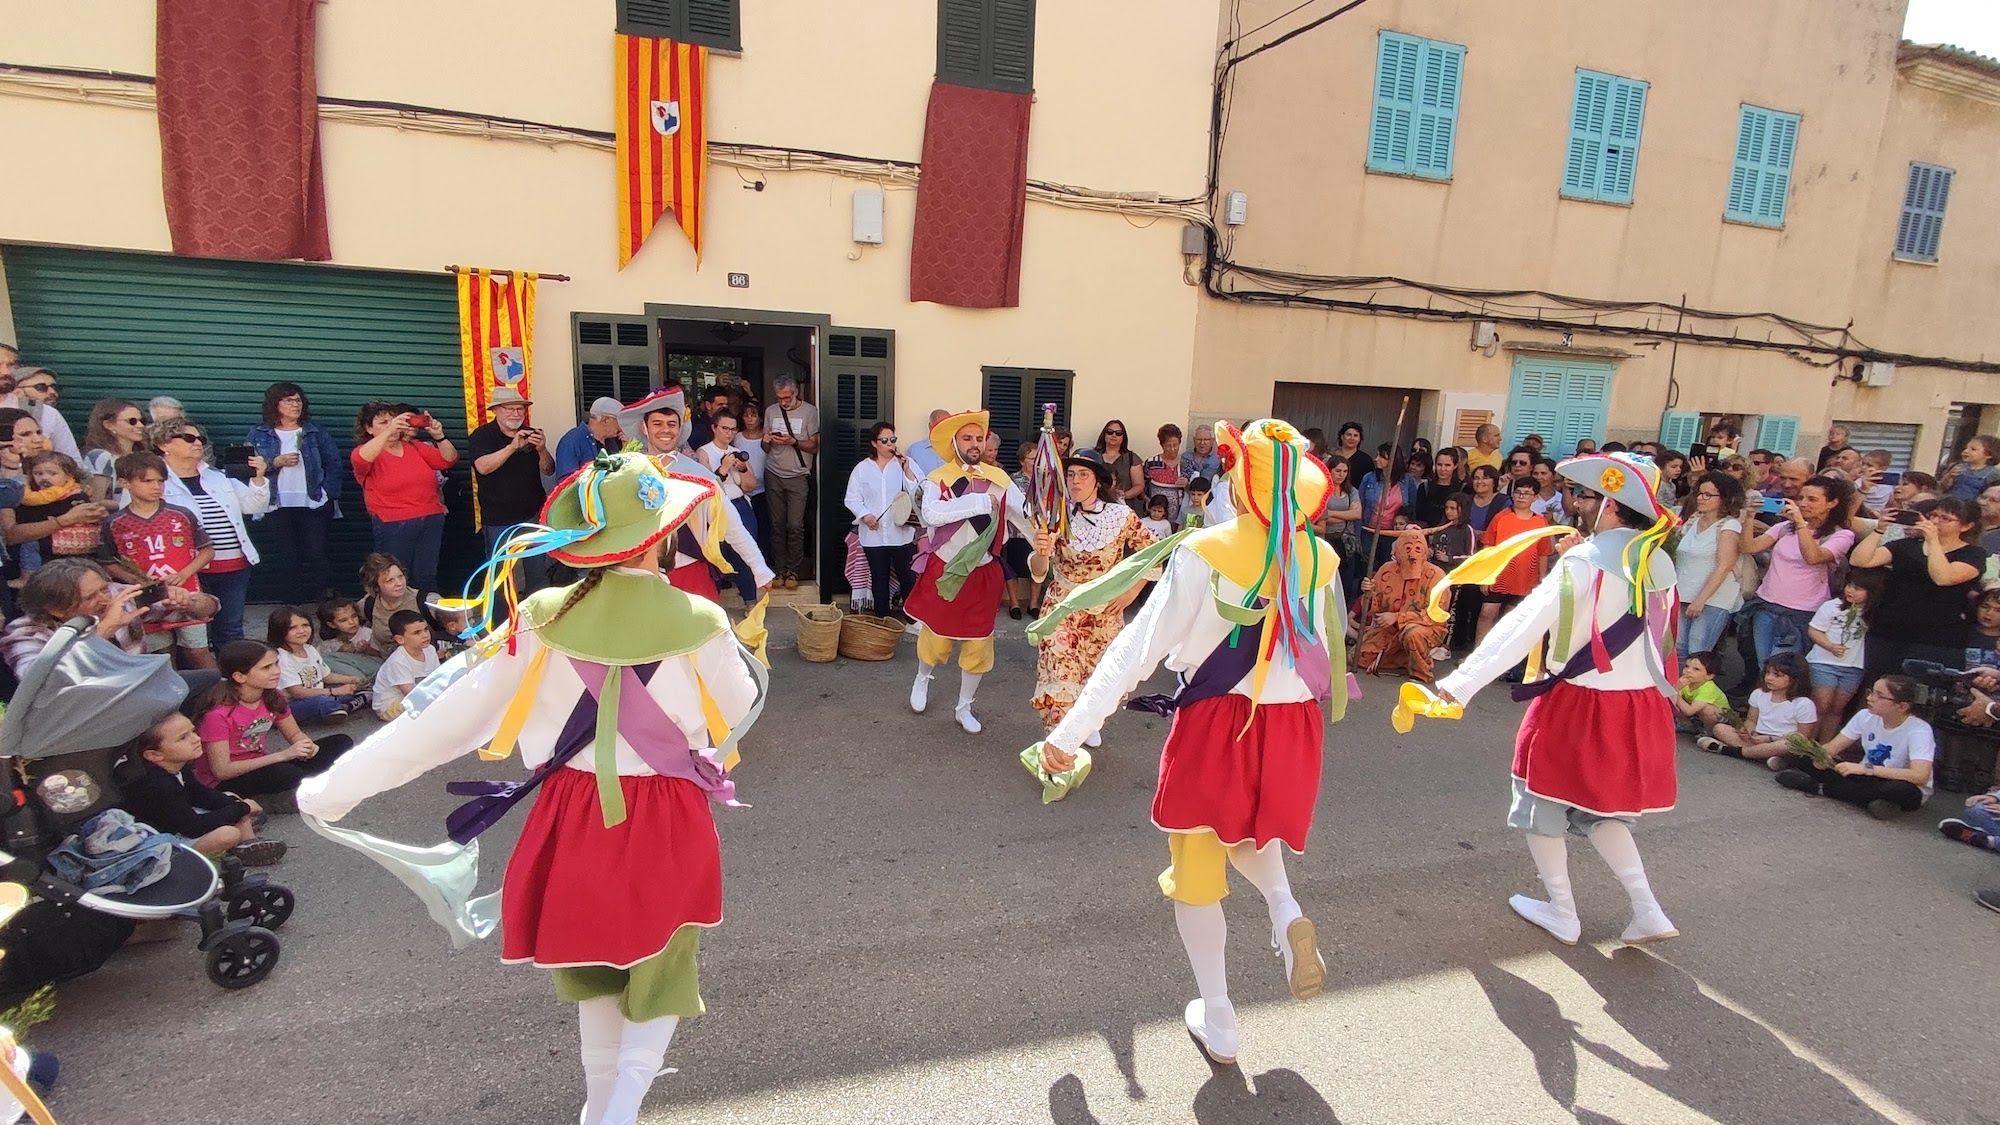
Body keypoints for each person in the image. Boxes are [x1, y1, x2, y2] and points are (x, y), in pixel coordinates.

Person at [298, 452, 767, 1125]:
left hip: (572, 813)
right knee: (661, 969)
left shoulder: (540, 615)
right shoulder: (699, 618)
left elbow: (443, 722)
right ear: (661, 534)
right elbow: (740, 701)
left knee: (595, 969)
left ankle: (600, 1106)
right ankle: (622, 1107)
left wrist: (334, 788)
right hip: (668, 812)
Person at [1027, 419, 1344, 1066]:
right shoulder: (1323, 556)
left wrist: (1070, 730)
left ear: (1236, 479)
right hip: (1291, 727)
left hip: (1217, 725)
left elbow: (1136, 652)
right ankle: (1285, 911)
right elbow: (1326, 647)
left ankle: (1220, 1017)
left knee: (1198, 872)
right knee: (1253, 834)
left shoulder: (1204, 551)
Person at [1402, 450, 1684, 949]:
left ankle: (1562, 910)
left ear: (1611, 507)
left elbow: (1520, 626)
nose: (1578, 503)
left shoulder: (1586, 560)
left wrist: (1458, 686)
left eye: (1589, 497)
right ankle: (1647, 909)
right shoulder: (1657, 561)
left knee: (1538, 804)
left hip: (1580, 702)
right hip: (1638, 703)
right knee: (1602, 812)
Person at [905, 409, 1030, 734]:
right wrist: (978, 502)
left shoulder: (1000, 481)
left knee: (977, 645)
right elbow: (932, 514)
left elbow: (1026, 517)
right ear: (954, 442)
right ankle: (922, 678)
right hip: (945, 570)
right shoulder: (937, 479)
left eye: (979, 438)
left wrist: (1047, 542)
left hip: (984, 573)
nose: (975, 444)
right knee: (936, 639)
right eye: (967, 438)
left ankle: (963, 707)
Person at [1028, 455, 1157, 744]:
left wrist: (1131, 592)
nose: (1075, 481)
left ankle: (1085, 722)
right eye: (1071, 475)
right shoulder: (1054, 516)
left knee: (1096, 676)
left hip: (1103, 610)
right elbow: (1038, 573)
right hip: (1062, 605)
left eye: (1083, 474)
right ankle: (1058, 744)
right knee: (1059, 669)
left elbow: (1154, 554)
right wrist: (1041, 552)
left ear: (1097, 480)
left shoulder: (1120, 516)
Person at [629, 389, 773, 601]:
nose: (665, 430)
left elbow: (732, 524)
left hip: (689, 571)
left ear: (680, 429)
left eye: (671, 424)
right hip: (639, 575)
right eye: (657, 423)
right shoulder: (628, 471)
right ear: (644, 427)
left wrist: (759, 568)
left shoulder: (699, 475)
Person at [153, 417, 269, 645]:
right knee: (194, 635)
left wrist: (258, 478)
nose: (197, 443)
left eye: (200, 439)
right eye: (188, 438)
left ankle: (234, 677)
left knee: (230, 629)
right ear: (164, 444)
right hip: (188, 569)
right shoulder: (155, 481)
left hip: (234, 565)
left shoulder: (217, 476)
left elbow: (254, 506)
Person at [97, 452, 219, 669]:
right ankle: (171, 702)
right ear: (125, 482)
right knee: (160, 656)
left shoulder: (181, 514)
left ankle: (221, 698)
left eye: (161, 481)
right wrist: (139, 581)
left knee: (198, 651)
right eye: (147, 481)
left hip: (188, 594)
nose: (156, 486)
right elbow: (108, 562)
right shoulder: (114, 523)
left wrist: (184, 573)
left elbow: (207, 551)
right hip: (146, 601)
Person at [1849, 495, 1985, 686]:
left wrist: (1933, 542)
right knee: (1877, 686)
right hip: (1888, 631)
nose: (1935, 521)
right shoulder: (1907, 545)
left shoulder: (1973, 554)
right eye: (1933, 516)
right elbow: (1861, 560)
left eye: (1945, 519)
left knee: (1918, 693)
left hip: (1935, 638)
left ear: (1966, 526)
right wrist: (1879, 530)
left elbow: (1943, 577)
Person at [196, 640, 354, 803]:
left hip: (263, 764)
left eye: (276, 664)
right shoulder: (217, 714)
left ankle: (303, 787)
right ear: (239, 676)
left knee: (342, 742)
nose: (276, 671)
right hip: (226, 780)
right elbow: (222, 771)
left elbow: (294, 733)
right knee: (286, 773)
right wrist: (282, 756)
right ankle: (283, 796)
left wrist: (307, 746)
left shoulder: (272, 696)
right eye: (266, 668)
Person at [119, 712, 284, 865]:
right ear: (154, 755)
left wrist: (236, 805)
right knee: (228, 834)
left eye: (193, 731)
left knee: (229, 797)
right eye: (183, 738)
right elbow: (192, 827)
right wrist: (242, 808)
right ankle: (213, 854)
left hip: (182, 820)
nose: (196, 738)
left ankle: (249, 843)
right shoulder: (155, 783)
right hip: (164, 838)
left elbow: (200, 794)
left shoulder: (176, 764)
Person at [1772, 675, 1935, 819]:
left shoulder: (1919, 730)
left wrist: (1867, 769)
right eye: (1871, 692)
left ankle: (1817, 787)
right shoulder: (1865, 716)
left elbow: (1920, 775)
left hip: (1898, 783)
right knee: (1802, 754)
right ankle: (1873, 802)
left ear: (1902, 706)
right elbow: (1833, 747)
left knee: (1897, 790)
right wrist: (1821, 756)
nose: (1870, 698)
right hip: (1865, 778)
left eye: (1879, 696)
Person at [247, 381, 346, 604]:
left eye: (298, 400)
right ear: (275, 404)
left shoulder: (315, 431)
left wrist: (328, 494)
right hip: (277, 503)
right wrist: (275, 462)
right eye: (289, 400)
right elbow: (248, 467)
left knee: (317, 552)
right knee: (287, 556)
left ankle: (324, 602)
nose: (295, 405)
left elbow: (334, 463)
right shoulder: (259, 433)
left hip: (312, 501)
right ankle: (292, 603)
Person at [1740, 475, 1855, 665]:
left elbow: (1813, 557)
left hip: (1801, 612)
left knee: (1783, 669)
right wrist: (1750, 517)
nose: (1803, 503)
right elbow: (1748, 547)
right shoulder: (1785, 527)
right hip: (1766, 604)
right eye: (1801, 498)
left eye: (1812, 499)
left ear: (1832, 503)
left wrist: (1801, 522)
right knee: (1764, 665)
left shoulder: (1842, 535)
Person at [350, 401, 457, 597]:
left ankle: (425, 618)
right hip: (393, 523)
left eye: (393, 420)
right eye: (383, 422)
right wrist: (388, 432)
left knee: (426, 575)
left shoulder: (415, 447)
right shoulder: (366, 451)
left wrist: (439, 436)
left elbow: (448, 459)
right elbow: (361, 460)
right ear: (368, 428)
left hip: (430, 518)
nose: (392, 425)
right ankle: (395, 620)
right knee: (393, 576)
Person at [468, 387, 554, 599]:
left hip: (531, 515)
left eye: (520, 410)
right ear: (496, 410)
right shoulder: (482, 436)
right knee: (501, 577)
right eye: (510, 409)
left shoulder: (530, 433)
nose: (516, 414)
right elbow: (483, 467)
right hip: (498, 520)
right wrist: (511, 447)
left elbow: (548, 469)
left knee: (537, 573)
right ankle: (501, 625)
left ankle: (537, 620)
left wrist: (542, 449)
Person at [845, 421, 921, 622]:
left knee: (907, 576)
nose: (890, 444)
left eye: (893, 440)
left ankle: (912, 618)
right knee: (879, 578)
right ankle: (882, 619)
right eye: (885, 440)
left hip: (901, 534)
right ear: (874, 443)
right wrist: (865, 515)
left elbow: (920, 491)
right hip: (873, 535)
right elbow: (851, 498)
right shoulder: (862, 469)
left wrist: (907, 471)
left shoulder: (907, 463)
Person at [1353, 530, 1448, 683]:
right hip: (1390, 630)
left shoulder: (1437, 575)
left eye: (1417, 549)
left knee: (1412, 633)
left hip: (1426, 627)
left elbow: (1435, 614)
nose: (1412, 555)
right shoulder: (1386, 570)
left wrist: (1398, 617)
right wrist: (1368, 592)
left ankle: (1421, 672)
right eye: (1407, 548)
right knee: (1358, 656)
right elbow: (1374, 607)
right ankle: (1405, 657)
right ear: (1397, 551)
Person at [1673, 471, 1745, 658]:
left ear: (1724, 498)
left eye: (1708, 495)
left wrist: (1700, 600)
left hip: (1712, 599)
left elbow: (1724, 566)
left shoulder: (1728, 526)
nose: (1701, 498)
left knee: (1697, 652)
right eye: (1700, 493)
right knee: (1679, 649)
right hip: (1684, 593)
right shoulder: (1693, 522)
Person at [694, 409, 762, 604]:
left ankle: (750, 602)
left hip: (740, 504)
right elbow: (708, 487)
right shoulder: (704, 452)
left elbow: (750, 486)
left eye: (733, 429)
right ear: (714, 428)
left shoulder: (736, 452)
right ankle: (712, 604)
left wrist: (742, 468)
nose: (729, 433)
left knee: (746, 552)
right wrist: (723, 469)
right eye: (725, 428)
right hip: (716, 507)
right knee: (715, 554)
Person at [1805, 571, 1882, 741]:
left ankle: (1825, 747)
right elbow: (1814, 630)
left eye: (1857, 588)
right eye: (1849, 586)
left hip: (1853, 666)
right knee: (1821, 705)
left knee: (1837, 708)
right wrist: (1830, 646)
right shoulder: (1832, 606)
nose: (1850, 591)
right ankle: (1806, 743)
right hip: (1823, 661)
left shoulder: (1872, 614)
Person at [1697, 652, 1816, 761]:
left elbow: (1802, 737)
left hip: (1779, 741)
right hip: (1757, 738)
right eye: (1768, 673)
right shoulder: (1759, 694)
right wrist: (1748, 731)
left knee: (1786, 746)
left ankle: (1730, 751)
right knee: (1720, 728)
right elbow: (1751, 720)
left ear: (1794, 679)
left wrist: (1770, 739)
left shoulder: (1804, 704)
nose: (1769, 678)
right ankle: (1764, 756)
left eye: (1777, 675)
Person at [1475, 478, 1552, 643]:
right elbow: (1488, 545)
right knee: (1486, 613)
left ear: (1535, 497)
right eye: (1518, 492)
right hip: (1498, 576)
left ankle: (1502, 661)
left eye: (1527, 493)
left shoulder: (1541, 522)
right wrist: (1486, 575)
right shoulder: (1500, 517)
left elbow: (1543, 552)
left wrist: (1541, 579)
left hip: (1525, 579)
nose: (1521, 496)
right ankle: (1476, 655)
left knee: (1510, 621)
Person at [761, 374, 818, 590]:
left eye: (787, 397)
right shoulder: (770, 411)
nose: (783, 402)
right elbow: (765, 449)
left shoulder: (810, 412)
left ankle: (794, 570)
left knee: (795, 525)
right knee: (776, 525)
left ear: (796, 393)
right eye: (779, 398)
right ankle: (779, 569)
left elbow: (814, 446)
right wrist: (766, 440)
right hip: (773, 472)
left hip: (798, 475)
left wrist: (792, 441)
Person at [268, 607, 366, 724]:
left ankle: (342, 706)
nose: (302, 631)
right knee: (324, 702)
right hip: (292, 703)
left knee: (350, 690)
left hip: (318, 694)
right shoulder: (281, 657)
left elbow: (326, 676)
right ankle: (341, 707)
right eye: (293, 628)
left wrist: (352, 679)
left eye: (305, 625)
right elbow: (297, 692)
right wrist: (334, 691)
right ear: (279, 631)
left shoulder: (309, 649)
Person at [7, 452, 102, 570]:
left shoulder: (76, 494)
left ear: (69, 475)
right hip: (46, 553)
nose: (44, 477)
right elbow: (11, 534)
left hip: (77, 550)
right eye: (38, 473)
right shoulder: (26, 496)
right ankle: (27, 574)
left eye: (52, 473)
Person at [372, 609, 442, 720]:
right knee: (430, 710)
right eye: (417, 633)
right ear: (400, 639)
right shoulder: (398, 661)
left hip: (417, 692)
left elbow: (438, 677)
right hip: (390, 704)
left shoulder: (430, 650)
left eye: (426, 629)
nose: (425, 635)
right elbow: (410, 693)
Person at [0, 368, 80, 460]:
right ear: (17, 392)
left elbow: (72, 460)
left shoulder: (51, 414)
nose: (52, 392)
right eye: (41, 387)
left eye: (54, 387)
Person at [80, 398, 146, 505]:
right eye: (132, 421)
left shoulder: (143, 456)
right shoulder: (101, 457)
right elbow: (96, 501)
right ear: (108, 425)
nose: (140, 426)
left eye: (142, 421)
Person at [557, 397, 629, 479]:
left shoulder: (613, 440)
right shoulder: (571, 441)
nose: (621, 426)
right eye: (619, 421)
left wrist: (626, 450)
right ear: (606, 420)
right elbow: (565, 483)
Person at [734, 400, 772, 559]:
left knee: (764, 528)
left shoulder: (766, 438)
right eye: (746, 415)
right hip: (742, 491)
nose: (750, 419)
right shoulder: (737, 438)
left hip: (763, 490)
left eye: (753, 415)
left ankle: (764, 561)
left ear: (760, 418)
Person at [1092, 420, 1145, 512]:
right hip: (1096, 506)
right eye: (1109, 432)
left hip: (1124, 508)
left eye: (1118, 433)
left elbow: (1139, 485)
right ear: (1104, 434)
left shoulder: (1131, 458)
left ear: (1123, 437)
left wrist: (1124, 495)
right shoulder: (1093, 456)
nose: (1114, 435)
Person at [1673, 651, 1731, 732]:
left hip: (1722, 719)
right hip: (1697, 712)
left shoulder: (1709, 688)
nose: (1688, 671)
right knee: (1674, 700)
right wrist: (1676, 689)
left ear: (1709, 676)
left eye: (1696, 669)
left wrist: (1674, 691)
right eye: (1687, 666)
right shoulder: (1685, 682)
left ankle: (1709, 732)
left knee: (1707, 710)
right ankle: (1688, 725)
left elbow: (1689, 711)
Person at [1145, 424, 1190, 521]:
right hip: (1155, 514)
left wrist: (1187, 485)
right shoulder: (1151, 463)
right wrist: (1148, 501)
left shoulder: (1186, 463)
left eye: (1175, 445)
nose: (1173, 449)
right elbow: (1142, 486)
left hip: (1179, 513)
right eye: (1168, 446)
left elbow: (1195, 489)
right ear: (1162, 445)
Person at [1941, 435, 2000, 501]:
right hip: (1949, 502)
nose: (1966, 451)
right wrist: (1949, 476)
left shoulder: (1994, 474)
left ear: (1988, 455)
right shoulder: (1958, 466)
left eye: (1973, 449)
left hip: (1972, 507)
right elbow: (1943, 487)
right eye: (1966, 448)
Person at [905, 409, 950, 476]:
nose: (942, 428)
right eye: (938, 425)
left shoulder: (958, 449)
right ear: (930, 426)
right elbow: (909, 479)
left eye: (946, 424)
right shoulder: (915, 450)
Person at [687, 385, 731, 453]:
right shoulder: (699, 430)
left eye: (726, 404)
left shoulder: (730, 425)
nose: (724, 408)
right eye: (720, 404)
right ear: (708, 405)